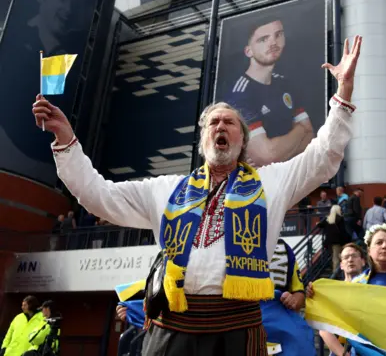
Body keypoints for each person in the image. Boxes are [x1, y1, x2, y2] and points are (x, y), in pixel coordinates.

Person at [32, 35, 363, 356]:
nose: (220, 127)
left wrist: (343, 94)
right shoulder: (165, 189)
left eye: (230, 123)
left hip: (238, 324)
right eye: (213, 123)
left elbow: (323, 156)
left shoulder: (272, 182)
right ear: (204, 139)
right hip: (171, 325)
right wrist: (65, 140)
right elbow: (97, 194)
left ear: (242, 141)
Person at [225, 18, 313, 167]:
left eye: (278, 35)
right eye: (263, 39)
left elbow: (311, 135)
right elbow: (268, 156)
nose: (273, 43)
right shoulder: (239, 95)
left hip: (290, 180)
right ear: (248, 51)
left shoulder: (285, 84)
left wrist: (276, 155)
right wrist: (300, 130)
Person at [307, 243, 366, 356]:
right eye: (346, 257)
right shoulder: (331, 292)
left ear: (363, 261)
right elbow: (324, 329)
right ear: (341, 265)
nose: (350, 260)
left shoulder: (372, 288)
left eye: (354, 256)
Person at [269, 239, 305, 312]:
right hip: (247, 317)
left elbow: (299, 294)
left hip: (279, 317)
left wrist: (293, 301)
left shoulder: (285, 248)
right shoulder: (240, 246)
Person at [317, 205, 350, 272]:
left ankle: (335, 272)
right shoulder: (340, 219)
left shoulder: (328, 219)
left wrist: (317, 224)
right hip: (337, 241)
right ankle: (335, 274)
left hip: (329, 242)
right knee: (337, 258)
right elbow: (342, 230)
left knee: (334, 257)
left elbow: (320, 225)